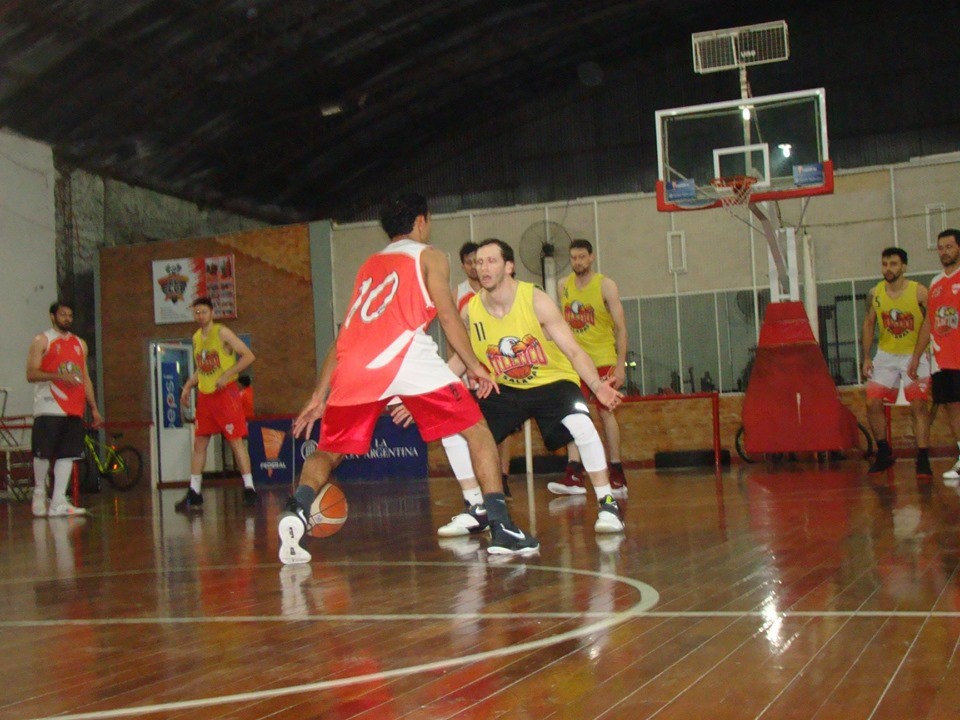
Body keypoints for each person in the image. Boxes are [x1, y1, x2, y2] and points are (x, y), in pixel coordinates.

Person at [279, 193, 538, 564]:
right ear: (421, 220)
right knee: (476, 429)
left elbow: (345, 333)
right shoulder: (431, 256)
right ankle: (500, 525)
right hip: (405, 356)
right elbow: (448, 317)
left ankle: (296, 510)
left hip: (354, 365)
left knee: (328, 451)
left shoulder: (369, 264)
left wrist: (320, 394)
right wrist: (474, 364)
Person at [434, 238, 626, 537]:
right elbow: (462, 359)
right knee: (453, 427)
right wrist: (424, 393)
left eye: (491, 261)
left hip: (554, 381)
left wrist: (597, 385)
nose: (482, 267)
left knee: (581, 423)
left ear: (509, 266)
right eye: (478, 262)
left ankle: (607, 502)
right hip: (509, 388)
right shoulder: (472, 311)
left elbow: (574, 351)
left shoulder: (535, 300)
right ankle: (476, 507)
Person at [555, 239, 629, 495]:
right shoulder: (563, 286)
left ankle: (616, 470)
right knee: (573, 414)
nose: (577, 262)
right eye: (574, 257)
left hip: (602, 359)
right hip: (575, 362)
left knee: (606, 413)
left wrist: (620, 365)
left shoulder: (606, 286)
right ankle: (574, 472)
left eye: (582, 257)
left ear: (591, 257)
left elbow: (620, 328)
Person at [176, 297, 258, 511]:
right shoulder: (195, 338)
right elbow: (201, 368)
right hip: (205, 396)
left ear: (211, 312)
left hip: (225, 395)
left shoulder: (222, 332)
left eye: (203, 312)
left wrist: (227, 374)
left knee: (235, 442)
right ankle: (194, 492)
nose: (200, 316)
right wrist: (187, 386)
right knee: (199, 444)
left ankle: (250, 488)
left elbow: (248, 356)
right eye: (196, 312)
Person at [25, 300, 103, 517]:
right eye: (63, 315)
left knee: (68, 454)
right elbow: (31, 373)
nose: (67, 318)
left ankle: (58, 500)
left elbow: (85, 377)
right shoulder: (43, 340)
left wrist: (94, 408)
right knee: (43, 452)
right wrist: (59, 376)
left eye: (70, 315)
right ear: (52, 316)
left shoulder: (80, 344)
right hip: (49, 405)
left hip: (74, 406)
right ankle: (40, 492)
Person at [860, 247, 931, 477]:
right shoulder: (876, 292)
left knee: (919, 405)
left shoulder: (919, 292)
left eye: (893, 264)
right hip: (886, 355)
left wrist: (919, 355)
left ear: (903, 267)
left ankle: (922, 457)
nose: (888, 269)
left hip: (914, 354)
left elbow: (931, 322)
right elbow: (869, 324)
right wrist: (867, 357)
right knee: (872, 403)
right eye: (885, 264)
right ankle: (884, 452)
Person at [455, 239, 513, 497]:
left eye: (483, 261)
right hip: (472, 364)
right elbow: (455, 335)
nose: (477, 267)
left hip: (500, 363)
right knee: (475, 425)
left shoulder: (506, 291)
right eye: (473, 263)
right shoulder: (461, 295)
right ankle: (480, 485)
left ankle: (503, 475)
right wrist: (461, 369)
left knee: (505, 425)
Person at [910, 229, 960, 482]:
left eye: (949, 247)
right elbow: (929, 323)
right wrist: (917, 356)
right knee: (952, 406)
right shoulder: (935, 283)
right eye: (941, 248)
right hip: (943, 359)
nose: (944, 252)